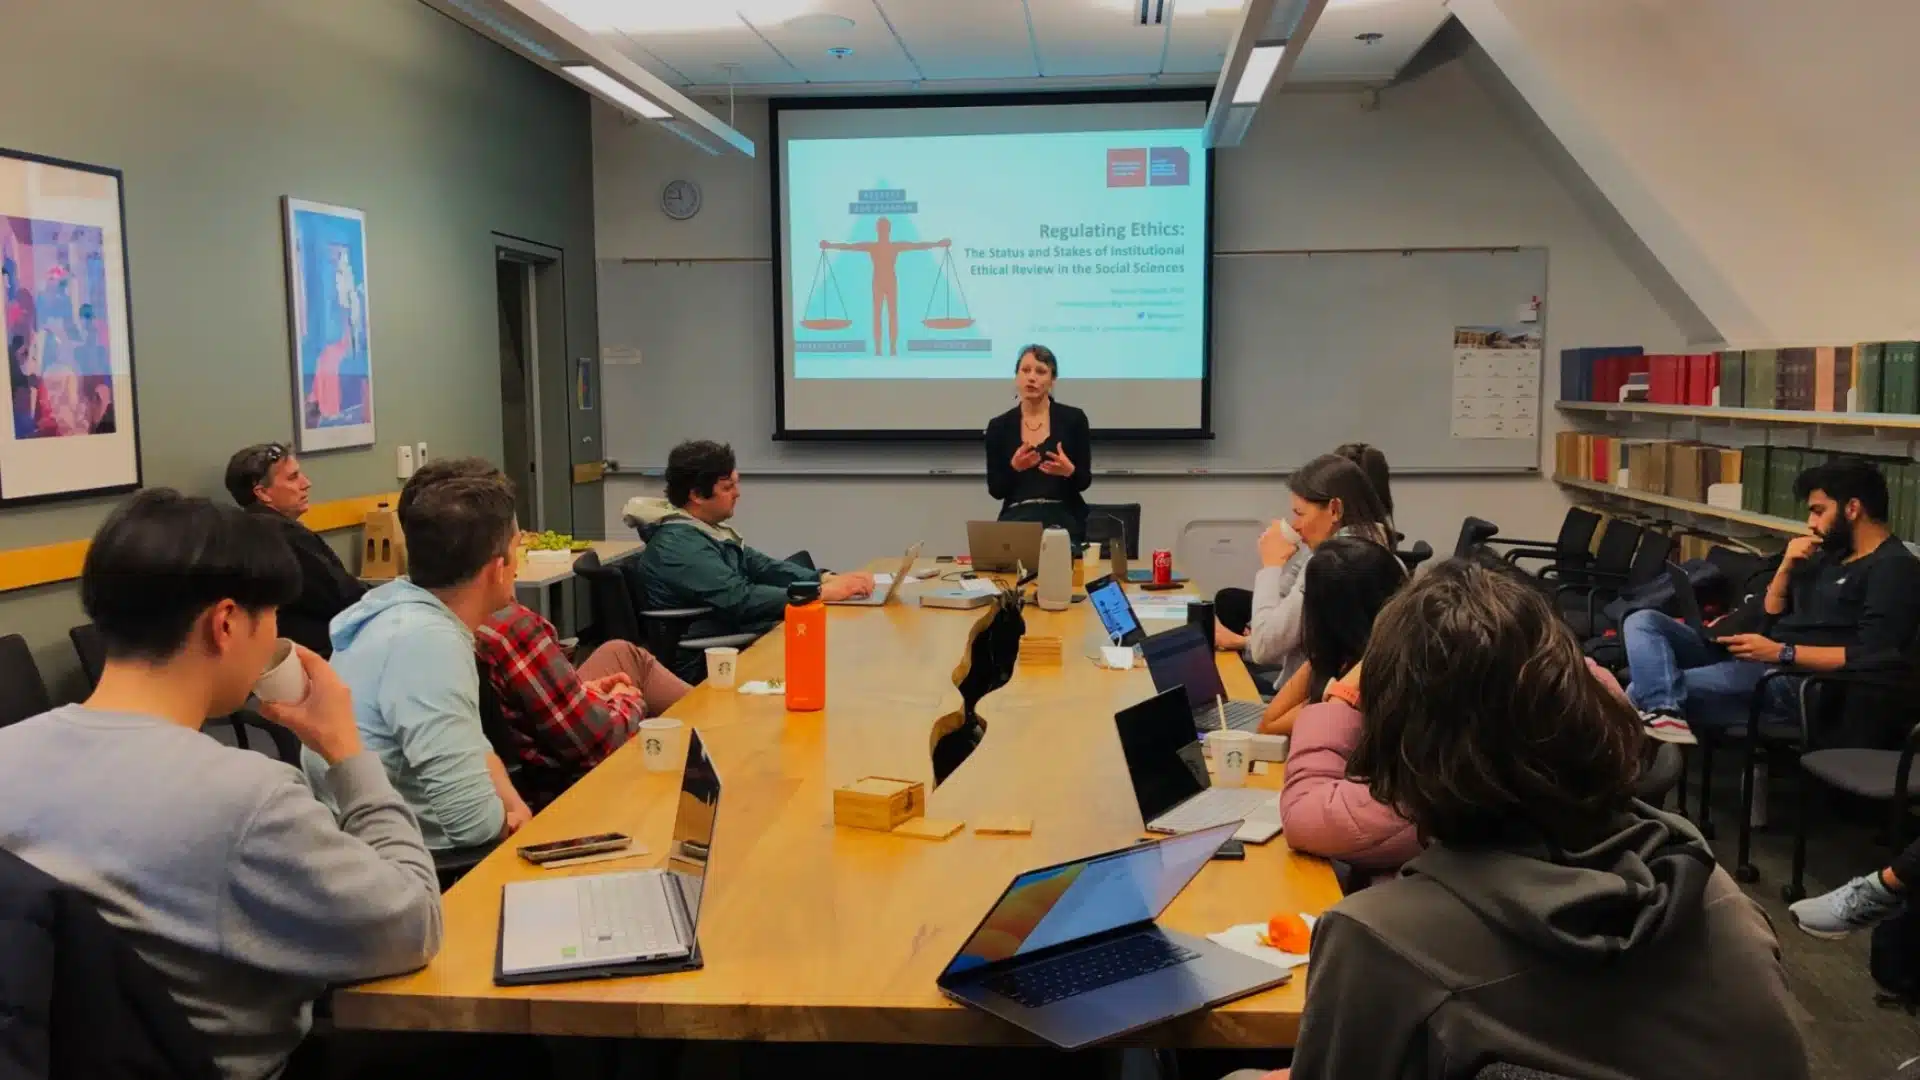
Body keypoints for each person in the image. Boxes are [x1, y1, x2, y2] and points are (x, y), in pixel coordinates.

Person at [1281, 558, 1809, 1079]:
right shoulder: (1719, 900)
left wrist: (1340, 700)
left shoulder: (1377, 940)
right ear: (1585, 707)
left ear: (1394, 737)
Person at [0, 490, 440, 1080]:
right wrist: (346, 752)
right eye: (273, 617)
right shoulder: (247, 798)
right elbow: (414, 923)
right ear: (227, 623)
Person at [305, 457, 532, 850]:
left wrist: (513, 804)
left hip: (368, 847)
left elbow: (468, 743)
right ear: (498, 569)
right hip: (416, 865)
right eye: (517, 548)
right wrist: (516, 820)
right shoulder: (427, 644)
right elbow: (473, 826)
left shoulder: (394, 610)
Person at [1625, 459, 1920, 745]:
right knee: (1642, 620)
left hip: (1798, 681)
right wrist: (1785, 569)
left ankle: (1664, 712)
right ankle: (1666, 713)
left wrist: (1782, 652)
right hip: (1761, 659)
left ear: (1852, 509)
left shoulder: (1894, 567)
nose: (1811, 524)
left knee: (1640, 691)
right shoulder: (1829, 556)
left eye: (1818, 512)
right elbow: (1770, 616)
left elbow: (1874, 655)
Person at [627, 440, 873, 644]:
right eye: (727, 487)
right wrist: (820, 593)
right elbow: (740, 598)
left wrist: (824, 578)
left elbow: (763, 567)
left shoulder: (704, 530)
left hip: (731, 633)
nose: (737, 493)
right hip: (707, 655)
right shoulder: (678, 545)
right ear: (697, 495)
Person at [1275, 538, 1418, 873]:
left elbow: (1302, 815)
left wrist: (1339, 697)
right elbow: (1271, 721)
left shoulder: (1385, 686)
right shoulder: (1353, 662)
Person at [477, 601, 691, 810]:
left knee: (618, 651)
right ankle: (706, 741)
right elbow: (600, 746)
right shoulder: (510, 627)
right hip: (562, 791)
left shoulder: (467, 623)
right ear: (496, 576)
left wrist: (584, 691)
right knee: (631, 667)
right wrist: (628, 699)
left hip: (526, 761)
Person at [1215, 454, 1395, 687]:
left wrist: (1271, 565)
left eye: (1300, 514)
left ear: (1334, 509)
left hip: (1312, 696)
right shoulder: (1382, 552)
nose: (1295, 525)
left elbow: (1263, 648)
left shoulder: (1332, 564)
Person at [224, 442, 367, 657]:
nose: (306, 483)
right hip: (322, 653)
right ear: (263, 493)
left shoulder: (241, 533)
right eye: (293, 478)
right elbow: (343, 598)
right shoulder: (284, 536)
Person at [984, 345, 1094, 544]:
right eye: (1025, 371)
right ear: (1016, 377)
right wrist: (1014, 468)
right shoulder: (999, 426)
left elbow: (1084, 481)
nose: (1031, 378)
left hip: (1064, 517)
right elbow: (996, 490)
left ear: (1052, 380)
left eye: (1041, 371)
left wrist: (1069, 471)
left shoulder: (1074, 419)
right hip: (1017, 517)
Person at [819, 217, 950, 357]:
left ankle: (893, 347)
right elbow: (850, 247)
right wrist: (830, 246)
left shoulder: (894, 246)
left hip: (890, 282)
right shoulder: (873, 247)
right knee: (877, 315)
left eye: (884, 228)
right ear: (877, 230)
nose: (882, 231)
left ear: (888, 230)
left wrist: (938, 244)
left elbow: (917, 246)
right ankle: (878, 348)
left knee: (892, 315)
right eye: (881, 228)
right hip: (878, 283)